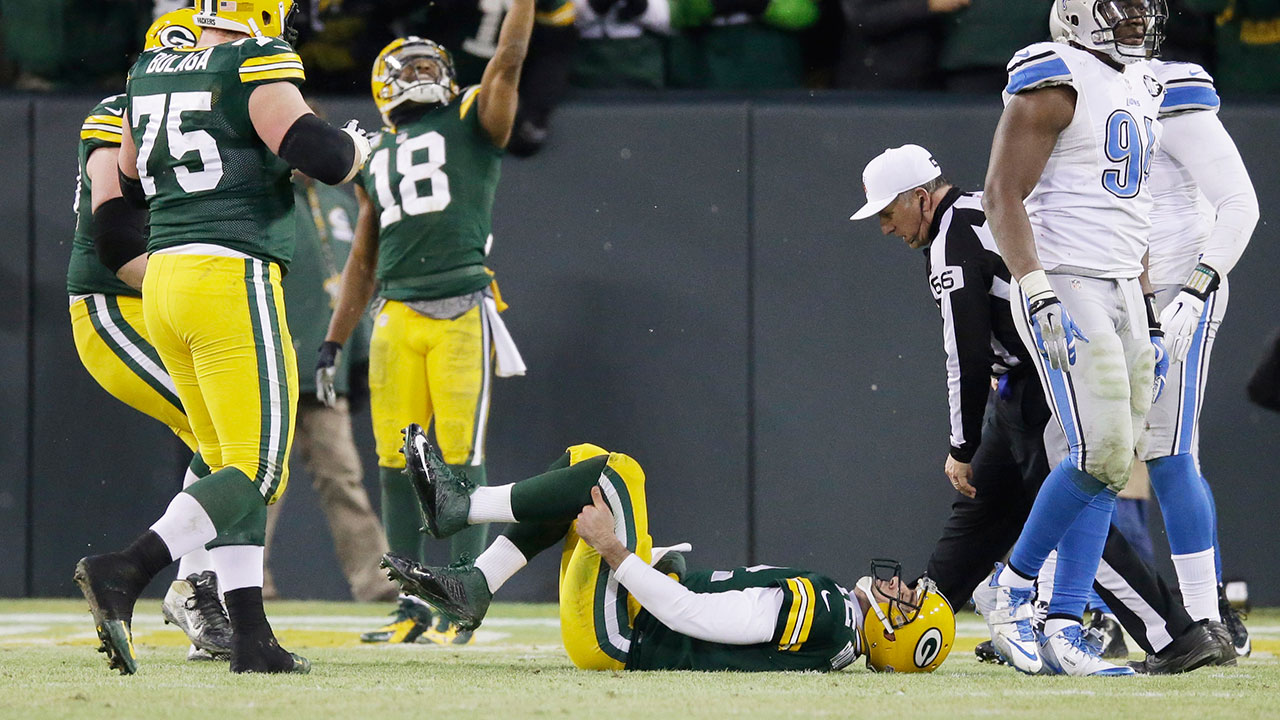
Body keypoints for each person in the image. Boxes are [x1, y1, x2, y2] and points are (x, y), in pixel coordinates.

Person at [73, 0, 371, 675]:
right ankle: (129, 567)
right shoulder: (254, 58)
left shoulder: (147, 72)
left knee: (223, 459)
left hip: (165, 279)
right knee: (259, 469)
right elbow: (321, 155)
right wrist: (359, 148)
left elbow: (129, 186)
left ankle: (252, 636)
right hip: (229, 273)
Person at [851, 144, 1226, 675]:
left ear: (920, 198)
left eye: (889, 212)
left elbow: (966, 355)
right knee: (981, 509)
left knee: (1077, 514)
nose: (886, 227)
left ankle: (1175, 636)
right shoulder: (978, 209)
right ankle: (920, 613)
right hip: (1031, 380)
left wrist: (961, 445)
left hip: (1045, 381)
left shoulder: (952, 241)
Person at [381, 424, 956, 673]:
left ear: (896, 636)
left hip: (619, 638)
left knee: (619, 472)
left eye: (906, 599)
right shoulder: (836, 630)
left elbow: (694, 615)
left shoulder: (828, 611)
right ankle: (478, 583)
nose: (898, 585)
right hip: (626, 629)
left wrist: (614, 550)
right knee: (586, 459)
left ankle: (462, 507)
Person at [320, 7, 531, 646]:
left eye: (426, 65)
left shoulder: (472, 117)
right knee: (394, 462)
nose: (418, 74)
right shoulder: (375, 154)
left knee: (460, 459)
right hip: (395, 315)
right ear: (384, 85)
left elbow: (508, 60)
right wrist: (334, 339)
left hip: (461, 309)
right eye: (407, 67)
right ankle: (410, 603)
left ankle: (462, 599)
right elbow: (363, 260)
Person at [975, 0, 1168, 676]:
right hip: (1065, 278)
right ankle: (1010, 588)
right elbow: (1001, 192)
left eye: (1143, 6)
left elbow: (1135, 211)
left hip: (1120, 282)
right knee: (1097, 451)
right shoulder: (1055, 75)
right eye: (1124, 6)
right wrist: (1033, 285)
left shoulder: (1143, 83)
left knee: (1112, 466)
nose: (1139, 17)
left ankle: (1063, 625)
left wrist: (1148, 310)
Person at [68, 8, 232, 664]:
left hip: (167, 300)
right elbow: (112, 239)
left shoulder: (222, 118)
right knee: (228, 440)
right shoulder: (119, 114)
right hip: (117, 305)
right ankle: (192, 586)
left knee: (229, 442)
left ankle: (196, 586)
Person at [1141, 54, 1258, 657]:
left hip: (1175, 285)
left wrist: (1196, 286)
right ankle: (1067, 606)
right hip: (1107, 286)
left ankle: (1206, 615)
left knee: (1167, 450)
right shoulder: (1069, 83)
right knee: (1084, 453)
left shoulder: (1169, 88)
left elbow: (1240, 202)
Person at [260, 170, 395, 604]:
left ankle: (377, 580)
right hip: (270, 364)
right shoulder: (263, 195)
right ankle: (243, 579)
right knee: (259, 480)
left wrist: (359, 355)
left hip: (326, 370)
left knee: (343, 477)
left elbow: (357, 281)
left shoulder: (343, 204)